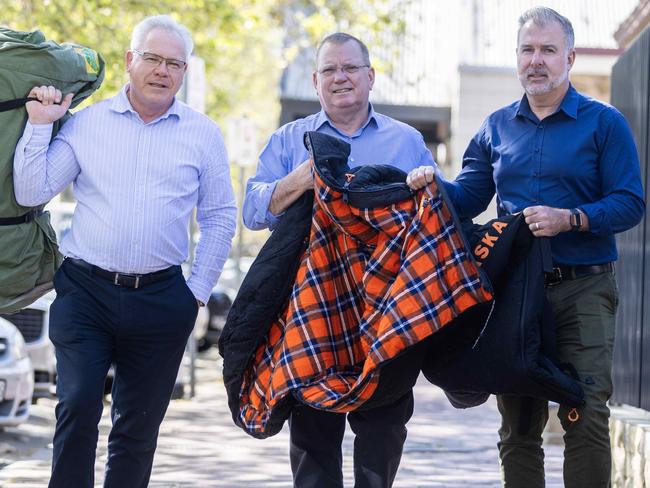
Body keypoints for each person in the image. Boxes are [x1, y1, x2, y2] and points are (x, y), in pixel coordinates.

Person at [407, 6, 645, 488]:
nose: (536, 61)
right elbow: (469, 198)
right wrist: (432, 183)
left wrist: (571, 218)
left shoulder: (604, 124)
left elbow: (630, 203)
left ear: (570, 58)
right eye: (528, 50)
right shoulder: (495, 127)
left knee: (586, 411)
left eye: (548, 50)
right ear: (517, 58)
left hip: (585, 289)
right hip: (516, 293)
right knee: (517, 423)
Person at [13, 15, 236, 488]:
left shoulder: (203, 134)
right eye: (152, 58)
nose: (163, 71)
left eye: (175, 63)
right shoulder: (87, 124)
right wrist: (37, 126)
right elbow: (33, 191)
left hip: (162, 298)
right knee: (76, 407)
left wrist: (194, 293)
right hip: (85, 292)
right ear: (130, 60)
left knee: (137, 428)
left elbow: (219, 217)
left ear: (184, 72)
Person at [243, 32, 435, 488]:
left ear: (370, 76)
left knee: (384, 430)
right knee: (312, 435)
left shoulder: (406, 141)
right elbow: (252, 211)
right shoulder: (290, 140)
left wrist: (428, 185)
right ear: (315, 80)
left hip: (386, 311)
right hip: (311, 310)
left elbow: (436, 216)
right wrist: (299, 180)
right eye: (330, 70)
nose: (340, 78)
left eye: (350, 68)